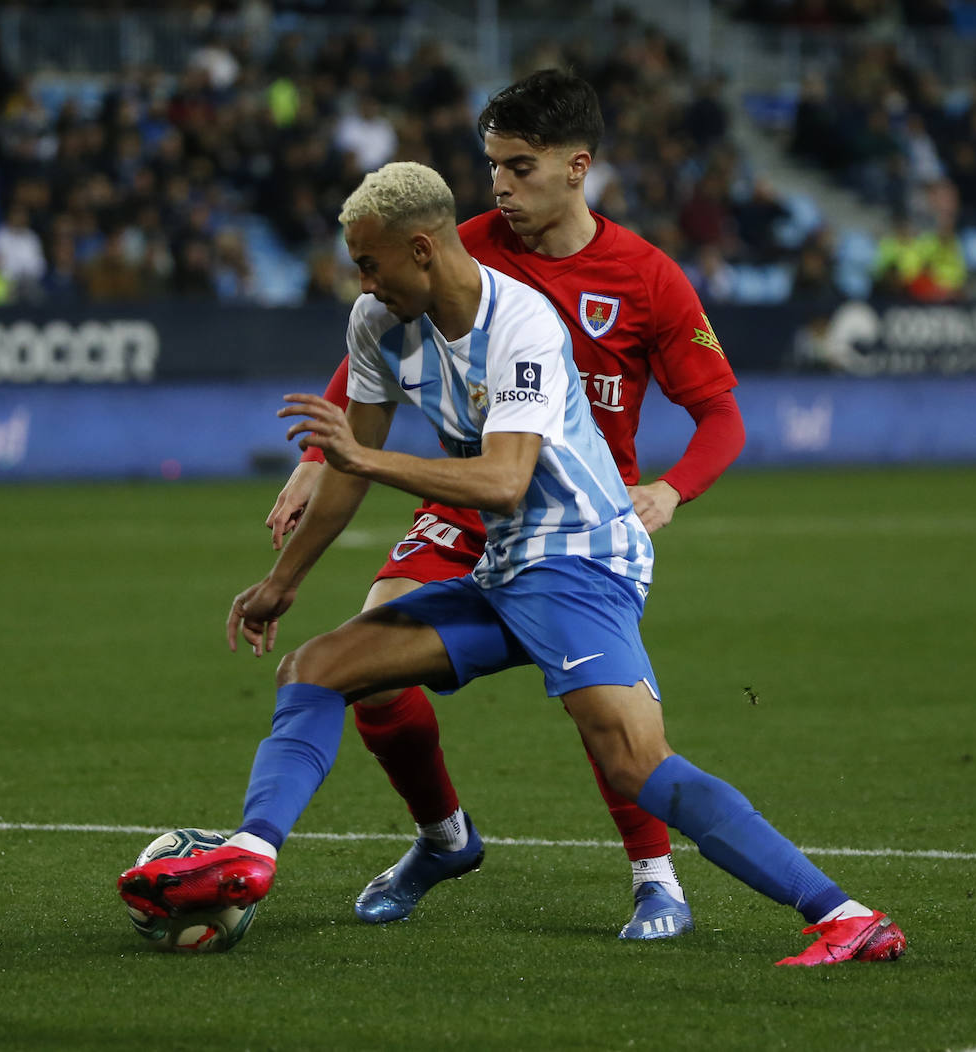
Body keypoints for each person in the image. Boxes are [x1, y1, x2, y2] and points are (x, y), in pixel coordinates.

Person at [118, 161, 907, 968]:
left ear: (422, 250)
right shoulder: (374, 321)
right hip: (504, 563)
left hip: (580, 560)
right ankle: (253, 852)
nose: (360, 280)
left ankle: (844, 916)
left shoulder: (523, 323)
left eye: (369, 262)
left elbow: (502, 478)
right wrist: (281, 583)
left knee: (635, 762)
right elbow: (350, 466)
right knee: (316, 665)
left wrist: (364, 456)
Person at [266, 70, 747, 940]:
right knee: (367, 664)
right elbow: (376, 336)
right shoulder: (456, 246)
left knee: (601, 709)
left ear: (577, 167)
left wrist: (673, 488)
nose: (500, 187)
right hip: (468, 497)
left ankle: (655, 876)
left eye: (519, 167)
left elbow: (721, 415)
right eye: (492, 166)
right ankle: (442, 836)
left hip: (574, 521)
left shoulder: (648, 278)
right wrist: (316, 454)